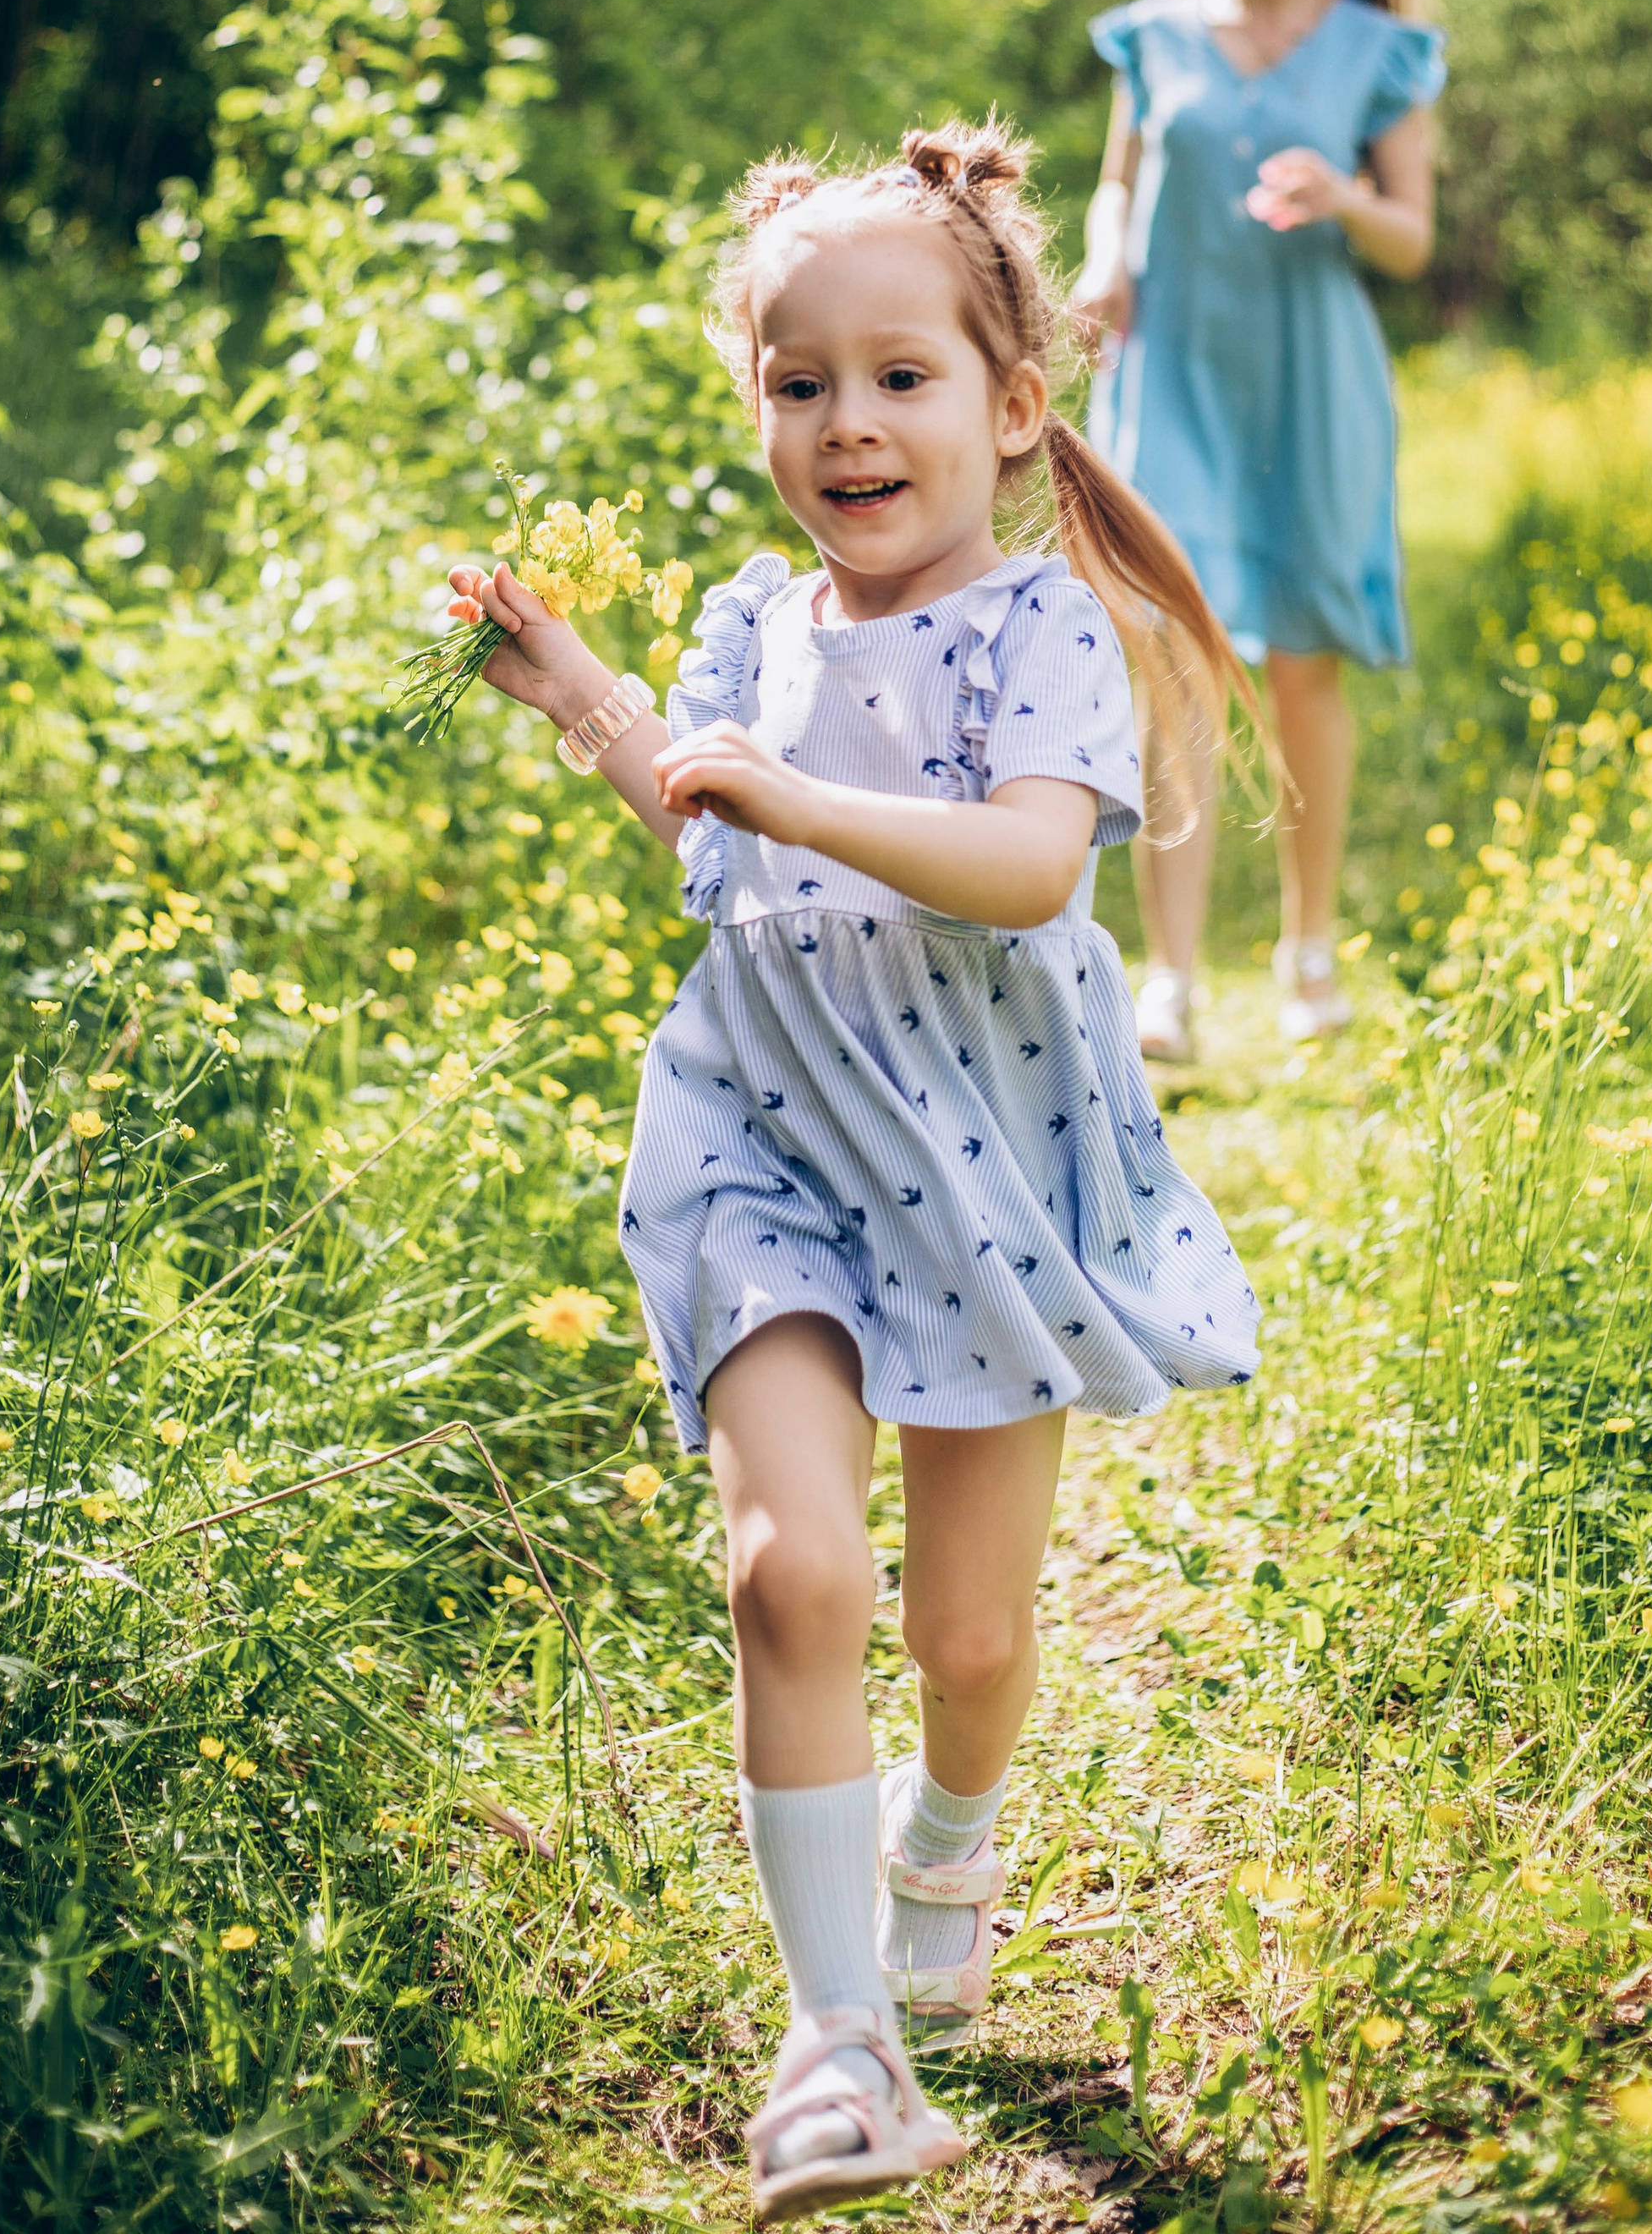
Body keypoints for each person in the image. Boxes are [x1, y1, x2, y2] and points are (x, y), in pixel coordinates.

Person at [447, 123, 1258, 2224]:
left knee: (969, 1643)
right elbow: (716, 827)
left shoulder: (1036, 628)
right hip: (762, 1135)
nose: (846, 422)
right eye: (798, 383)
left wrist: (797, 795)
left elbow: (1017, 862)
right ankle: (840, 2055)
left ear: (1007, 406)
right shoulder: (751, 619)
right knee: (792, 1573)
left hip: (977, 1156)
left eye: (897, 377)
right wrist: (590, 703)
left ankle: (947, 1839)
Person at [1071, 0, 1443, 1062]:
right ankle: (1169, 981)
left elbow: (1411, 236)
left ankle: (1308, 952)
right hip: (1168, 366)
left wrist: (1342, 193)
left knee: (1299, 665)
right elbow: (1117, 187)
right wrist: (1100, 264)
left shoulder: (1380, 49)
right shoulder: (1156, 38)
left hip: (1311, 381)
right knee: (1171, 659)